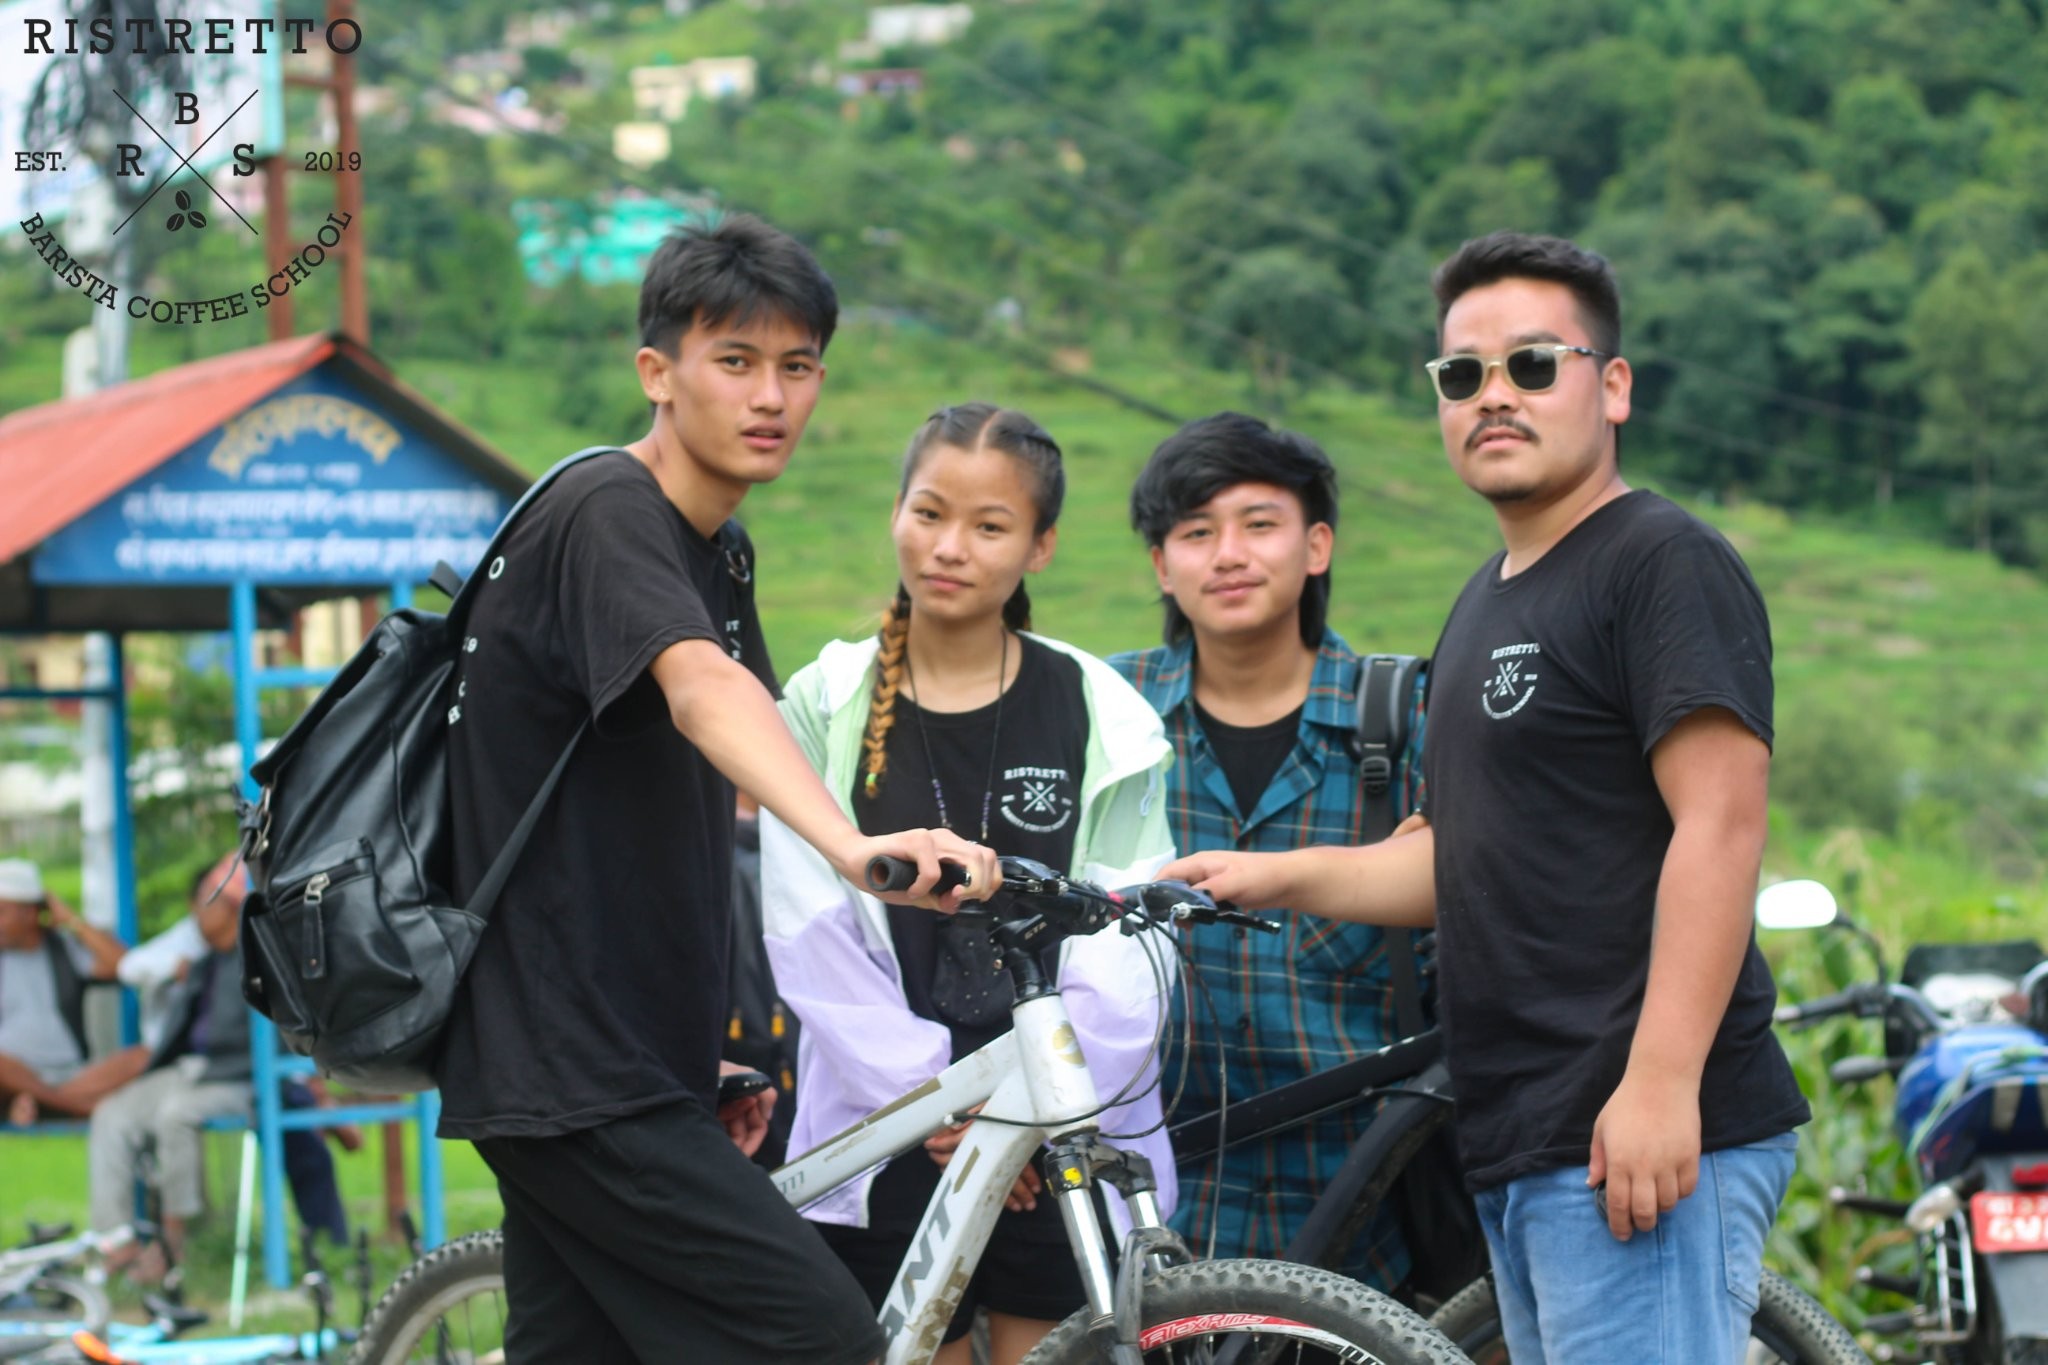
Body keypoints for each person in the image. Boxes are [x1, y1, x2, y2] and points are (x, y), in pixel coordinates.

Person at [1163, 231, 1809, 1365]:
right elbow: (1460, 859)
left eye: (1532, 364)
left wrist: (1661, 1085)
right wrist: (1268, 874)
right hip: (1523, 1136)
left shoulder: (1658, 561)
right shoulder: (1484, 603)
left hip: (1630, 1130)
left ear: (1612, 386)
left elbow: (1720, 824)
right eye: (1462, 374)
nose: (1493, 395)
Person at [434, 216, 997, 1365]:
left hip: (621, 1059)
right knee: (819, 1340)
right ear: (657, 372)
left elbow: (727, 771)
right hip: (571, 1064)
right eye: (734, 361)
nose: (770, 396)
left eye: (797, 366)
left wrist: (704, 1052)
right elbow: (704, 691)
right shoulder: (607, 510)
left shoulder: (718, 549)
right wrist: (852, 846)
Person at [761, 403, 1178, 1365]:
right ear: (896, 513)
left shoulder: (1096, 706)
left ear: (1041, 545)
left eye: (990, 525)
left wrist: (1032, 1108)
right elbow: (806, 928)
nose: (949, 547)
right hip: (890, 1128)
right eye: (928, 512)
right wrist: (934, 1104)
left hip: (1062, 1126)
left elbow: (1129, 936)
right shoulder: (824, 702)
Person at [1106, 413, 1428, 1291]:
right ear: (1161, 565)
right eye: (1196, 532)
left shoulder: (1403, 716)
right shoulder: (1108, 711)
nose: (1229, 555)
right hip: (1144, 1204)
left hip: (1370, 1208)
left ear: (1316, 545)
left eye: (1258, 524)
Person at [87, 857, 253, 1265]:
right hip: (191, 1070)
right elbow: (137, 969)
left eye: (207, 902)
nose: (197, 913)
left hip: (237, 1076)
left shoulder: (259, 960)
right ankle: (115, 1241)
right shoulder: (203, 964)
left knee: (176, 1114)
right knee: (111, 1114)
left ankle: (172, 1242)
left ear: (231, 906)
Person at [0, 857, 144, 1126]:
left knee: (142, 1058)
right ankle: (72, 1106)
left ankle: (40, 1105)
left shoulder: (64, 949)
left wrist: (71, 919)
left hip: (72, 1075)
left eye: (2, 912)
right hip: (8, 1075)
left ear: (29, 914)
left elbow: (127, 966)